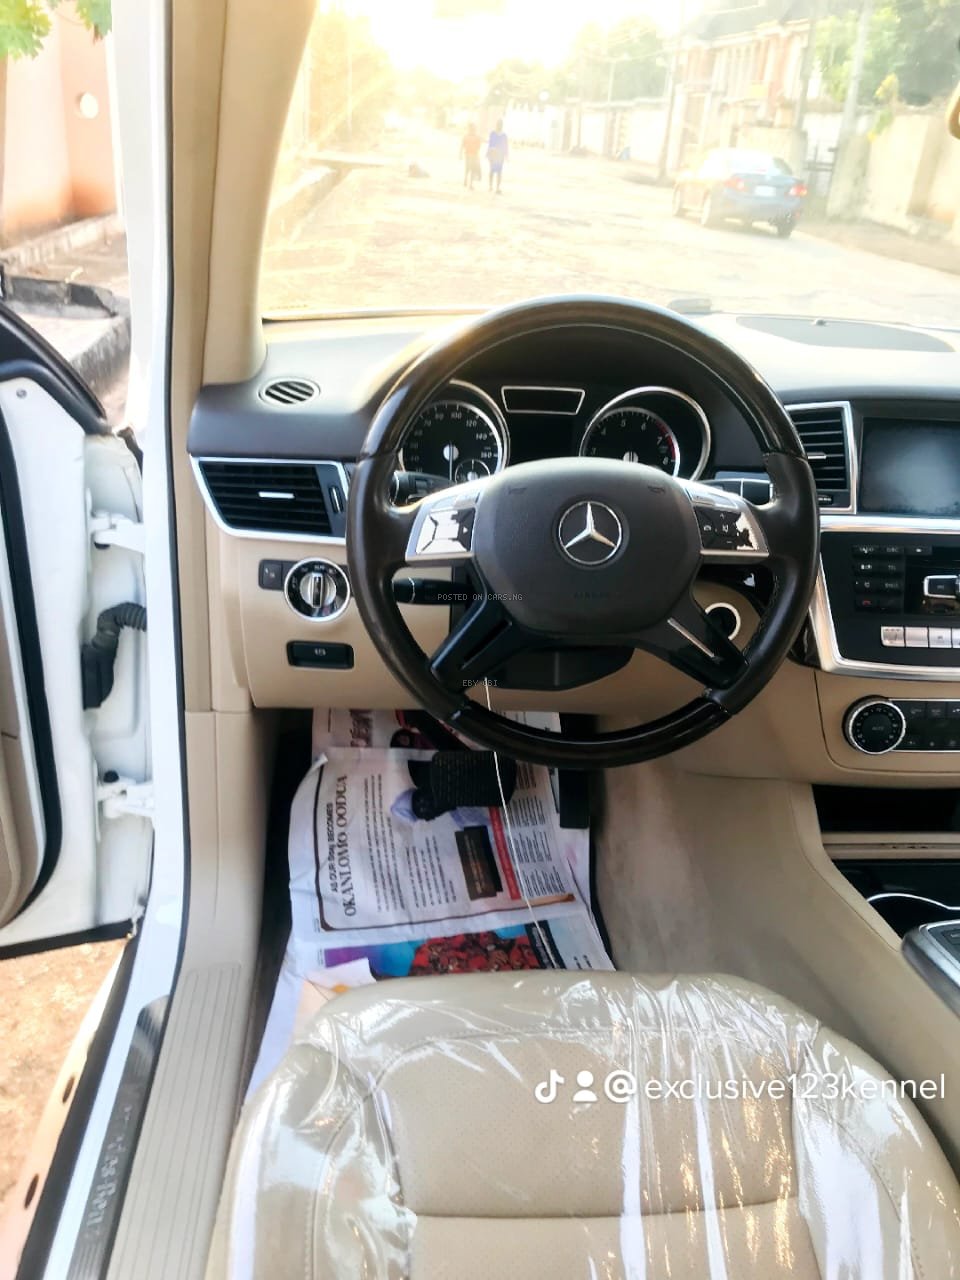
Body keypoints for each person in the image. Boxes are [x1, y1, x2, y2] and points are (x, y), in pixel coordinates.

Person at [487, 118, 508, 193]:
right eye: (498, 124)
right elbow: (490, 144)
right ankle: (490, 186)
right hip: (493, 155)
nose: (499, 126)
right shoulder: (492, 133)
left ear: (502, 125)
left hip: (500, 156)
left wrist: (506, 155)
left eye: (501, 124)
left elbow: (505, 146)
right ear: (496, 125)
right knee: (492, 170)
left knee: (499, 172)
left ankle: (497, 187)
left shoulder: (504, 135)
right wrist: (488, 154)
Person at [460, 123, 482, 189]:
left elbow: (462, 145)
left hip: (470, 154)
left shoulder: (468, 136)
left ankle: (467, 181)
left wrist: (460, 154)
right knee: (470, 169)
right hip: (472, 154)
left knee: (468, 169)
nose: (473, 129)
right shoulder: (474, 137)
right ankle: (469, 183)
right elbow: (478, 147)